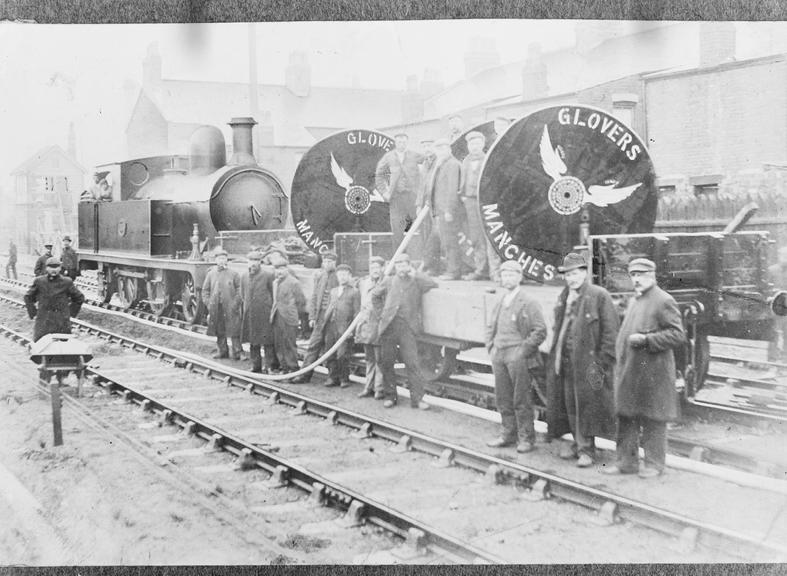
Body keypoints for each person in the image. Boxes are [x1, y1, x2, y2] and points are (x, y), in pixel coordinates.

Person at [603, 258, 686, 479]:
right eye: (634, 275)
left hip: (653, 373)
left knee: (654, 418)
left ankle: (655, 464)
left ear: (653, 275)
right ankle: (626, 463)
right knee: (626, 416)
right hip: (631, 370)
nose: (637, 279)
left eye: (642, 274)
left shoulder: (663, 300)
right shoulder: (635, 300)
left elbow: (677, 334)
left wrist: (647, 340)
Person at [546, 252, 619, 468]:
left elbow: (611, 333)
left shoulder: (599, 295)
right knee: (570, 405)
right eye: (568, 275)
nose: (572, 278)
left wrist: (602, 362)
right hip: (567, 362)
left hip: (590, 366)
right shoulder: (565, 296)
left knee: (588, 406)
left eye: (576, 273)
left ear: (585, 273)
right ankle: (578, 444)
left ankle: (587, 449)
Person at [485, 260, 547, 453]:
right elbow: (490, 326)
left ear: (520, 277)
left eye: (512, 274)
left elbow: (540, 331)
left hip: (517, 356)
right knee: (503, 397)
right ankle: (507, 434)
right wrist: (491, 347)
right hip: (499, 354)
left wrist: (522, 351)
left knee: (521, 399)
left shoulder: (529, 301)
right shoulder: (500, 300)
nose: (508, 278)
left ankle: (526, 438)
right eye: (505, 275)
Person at [372, 252, 437, 409]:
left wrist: (416, 273)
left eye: (404, 264)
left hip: (408, 328)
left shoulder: (416, 281)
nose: (401, 267)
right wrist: (382, 315)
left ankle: (417, 399)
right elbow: (375, 296)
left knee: (412, 363)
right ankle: (390, 396)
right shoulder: (388, 281)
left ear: (409, 265)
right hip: (389, 327)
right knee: (387, 362)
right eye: (399, 265)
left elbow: (432, 284)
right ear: (395, 267)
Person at [293, 251, 339, 383]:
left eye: (330, 261)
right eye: (325, 261)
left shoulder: (338, 277)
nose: (327, 264)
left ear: (335, 263)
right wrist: (312, 317)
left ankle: (333, 377)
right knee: (313, 346)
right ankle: (304, 375)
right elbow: (314, 297)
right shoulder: (320, 276)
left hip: (332, 319)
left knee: (330, 347)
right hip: (320, 317)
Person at [375, 133, 425, 250]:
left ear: (407, 142)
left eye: (404, 142)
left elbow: (429, 163)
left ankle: (423, 258)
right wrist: (384, 192)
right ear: (395, 143)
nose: (401, 144)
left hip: (413, 197)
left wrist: (421, 189)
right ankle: (399, 259)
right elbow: (379, 175)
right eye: (399, 142)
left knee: (420, 226)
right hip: (396, 198)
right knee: (397, 229)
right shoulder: (389, 157)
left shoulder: (414, 155)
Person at [423, 139, 462, 280]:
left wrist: (449, 210)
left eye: (443, 148)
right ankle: (434, 269)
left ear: (449, 150)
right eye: (438, 149)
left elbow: (452, 190)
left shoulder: (452, 165)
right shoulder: (441, 164)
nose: (441, 152)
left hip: (446, 212)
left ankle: (453, 271)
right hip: (438, 211)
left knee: (450, 242)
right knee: (439, 240)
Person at [24, 257, 85, 342]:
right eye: (51, 267)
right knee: (40, 346)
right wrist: (33, 313)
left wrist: (70, 313)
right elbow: (28, 297)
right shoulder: (39, 281)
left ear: (60, 268)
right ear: (46, 268)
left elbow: (79, 298)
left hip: (61, 321)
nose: (54, 270)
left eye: (56, 267)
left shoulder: (67, 282)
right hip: (43, 320)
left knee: (63, 347)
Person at [322, 264, 361, 388]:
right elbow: (328, 307)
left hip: (344, 328)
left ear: (350, 276)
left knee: (342, 355)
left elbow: (357, 313)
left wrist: (352, 331)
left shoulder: (354, 292)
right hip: (331, 326)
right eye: (340, 275)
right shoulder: (333, 291)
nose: (342, 277)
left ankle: (344, 378)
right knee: (330, 353)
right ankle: (332, 377)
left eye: (345, 275)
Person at [459, 131, 491, 281]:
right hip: (469, 202)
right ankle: (480, 269)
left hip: (484, 201)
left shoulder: (488, 159)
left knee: (487, 235)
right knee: (475, 235)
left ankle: (489, 269)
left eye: (477, 143)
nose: (475, 147)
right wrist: (463, 196)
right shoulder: (465, 161)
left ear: (483, 145)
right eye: (472, 144)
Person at [202, 248, 243, 359]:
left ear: (227, 260)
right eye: (220, 258)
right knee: (219, 330)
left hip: (230, 306)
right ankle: (222, 351)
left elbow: (240, 290)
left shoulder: (233, 274)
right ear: (216, 260)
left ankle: (238, 352)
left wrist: (235, 304)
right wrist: (208, 303)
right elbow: (205, 290)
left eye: (224, 258)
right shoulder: (211, 274)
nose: (222, 261)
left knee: (234, 329)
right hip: (216, 307)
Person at [269, 254, 307, 375]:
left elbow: (301, 302)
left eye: (281, 269)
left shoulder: (294, 283)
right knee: (279, 343)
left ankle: (293, 369)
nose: (279, 272)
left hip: (289, 318)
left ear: (287, 269)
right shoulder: (275, 282)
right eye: (277, 269)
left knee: (289, 344)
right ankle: (284, 368)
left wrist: (294, 314)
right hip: (276, 316)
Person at [240, 250, 276, 373]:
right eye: (251, 261)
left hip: (264, 313)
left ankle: (269, 366)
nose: (253, 263)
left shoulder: (268, 275)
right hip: (251, 313)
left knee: (267, 341)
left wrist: (270, 308)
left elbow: (273, 293)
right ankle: (256, 366)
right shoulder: (244, 276)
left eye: (256, 261)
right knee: (253, 341)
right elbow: (242, 294)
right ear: (247, 262)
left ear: (260, 262)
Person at [356, 256, 386, 399]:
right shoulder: (364, 283)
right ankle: (368, 387)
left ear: (383, 268)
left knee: (380, 360)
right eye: (372, 268)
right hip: (366, 328)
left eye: (377, 267)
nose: (375, 270)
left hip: (379, 328)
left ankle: (379, 389)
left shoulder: (385, 283)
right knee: (369, 359)